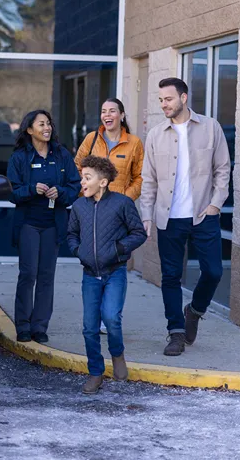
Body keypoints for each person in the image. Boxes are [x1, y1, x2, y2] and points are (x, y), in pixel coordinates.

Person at [140, 77, 231, 357]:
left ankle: (195, 310)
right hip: (168, 218)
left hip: (204, 215)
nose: (163, 104)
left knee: (214, 271)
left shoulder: (210, 127)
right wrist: (146, 215)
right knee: (170, 277)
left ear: (183, 98)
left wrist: (216, 204)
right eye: (160, 100)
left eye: (168, 99)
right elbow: (149, 180)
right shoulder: (156, 134)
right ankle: (176, 333)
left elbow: (223, 169)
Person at [67, 155, 147, 394]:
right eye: (82, 177)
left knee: (111, 318)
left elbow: (138, 233)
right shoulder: (80, 205)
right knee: (89, 327)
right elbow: (71, 234)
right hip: (90, 274)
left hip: (115, 272)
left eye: (87, 177)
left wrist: (118, 249)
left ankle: (117, 354)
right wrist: (78, 251)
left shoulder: (122, 203)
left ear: (103, 182)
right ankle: (95, 373)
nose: (83, 182)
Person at [7, 109, 82, 343]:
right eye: (41, 124)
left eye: (48, 123)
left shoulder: (61, 155)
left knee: (46, 275)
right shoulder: (20, 157)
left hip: (53, 224)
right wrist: (32, 189)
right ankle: (23, 325)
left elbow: (74, 186)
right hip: (28, 223)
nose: (46, 128)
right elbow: (12, 192)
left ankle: (40, 326)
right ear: (29, 129)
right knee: (28, 274)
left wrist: (60, 193)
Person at [74, 97, 145, 335]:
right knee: (95, 256)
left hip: (119, 213)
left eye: (112, 111)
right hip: (93, 209)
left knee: (116, 259)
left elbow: (140, 176)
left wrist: (125, 198)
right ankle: (98, 313)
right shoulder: (91, 139)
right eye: (104, 111)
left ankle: (112, 313)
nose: (108, 115)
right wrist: (85, 192)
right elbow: (77, 167)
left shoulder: (134, 143)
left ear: (122, 115)